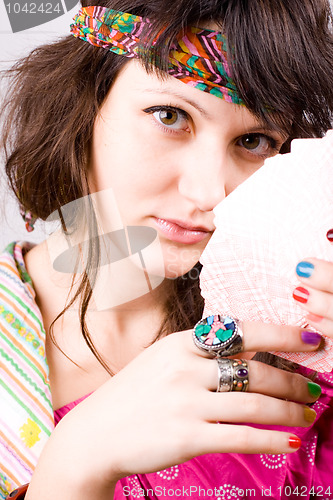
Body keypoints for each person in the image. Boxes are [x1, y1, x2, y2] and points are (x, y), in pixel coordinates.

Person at [1, 1, 333, 498]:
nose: (210, 193)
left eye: (256, 141)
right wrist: (76, 464)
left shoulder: (302, 351)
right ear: (81, 105)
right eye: (170, 115)